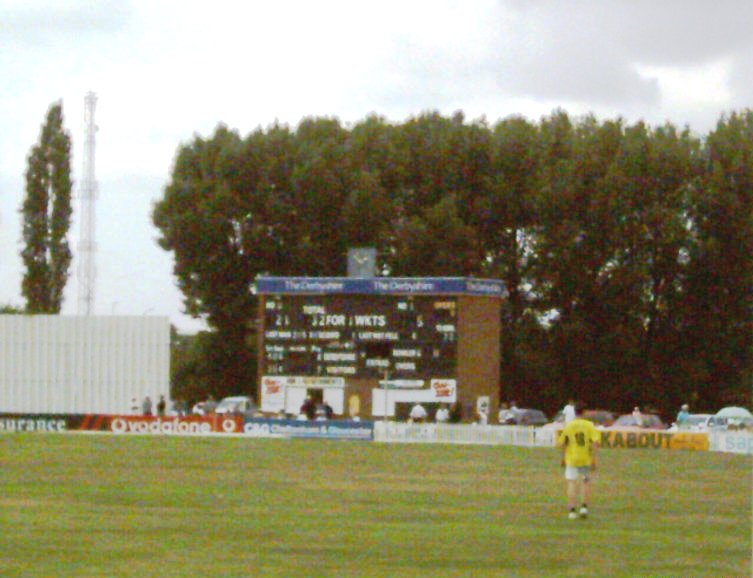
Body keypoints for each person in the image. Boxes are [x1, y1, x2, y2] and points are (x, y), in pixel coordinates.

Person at [557, 404, 600, 519]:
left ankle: (572, 510)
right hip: (585, 458)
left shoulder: (569, 425)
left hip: (571, 458)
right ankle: (584, 508)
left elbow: (563, 443)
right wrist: (594, 458)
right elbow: (596, 442)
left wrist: (562, 458)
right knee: (585, 482)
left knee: (571, 483)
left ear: (574, 412)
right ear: (584, 412)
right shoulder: (589, 425)